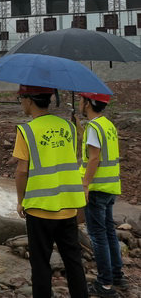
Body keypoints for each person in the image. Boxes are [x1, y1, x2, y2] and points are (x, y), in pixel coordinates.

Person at [12, 85, 88, 298]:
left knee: (40, 264)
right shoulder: (69, 127)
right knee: (73, 261)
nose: (21, 103)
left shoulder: (26, 130)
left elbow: (22, 171)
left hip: (40, 208)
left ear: (29, 100)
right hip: (68, 205)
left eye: (21, 99)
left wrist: (21, 201)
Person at [75, 92, 128, 296]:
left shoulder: (94, 127)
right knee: (109, 232)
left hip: (96, 189)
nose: (79, 103)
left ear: (88, 103)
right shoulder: (106, 125)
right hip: (110, 187)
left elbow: (94, 158)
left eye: (81, 100)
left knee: (98, 236)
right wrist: (79, 127)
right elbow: (97, 148)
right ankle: (117, 276)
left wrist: (85, 185)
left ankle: (105, 284)